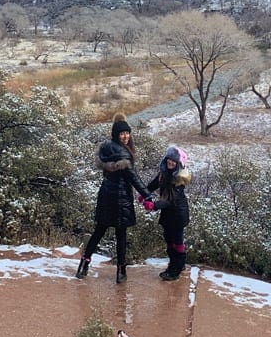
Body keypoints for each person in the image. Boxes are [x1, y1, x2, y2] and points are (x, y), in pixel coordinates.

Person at [75, 113, 153, 283]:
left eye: (127, 133)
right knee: (121, 235)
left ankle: (83, 265)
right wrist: (148, 195)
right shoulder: (123, 155)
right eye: (122, 134)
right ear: (116, 134)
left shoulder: (106, 148)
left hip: (105, 195)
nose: (125, 136)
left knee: (98, 231)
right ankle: (121, 271)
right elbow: (134, 178)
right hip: (120, 198)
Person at [143, 144, 191, 281]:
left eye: (174, 161)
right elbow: (153, 184)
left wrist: (153, 205)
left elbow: (170, 200)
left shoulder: (179, 179)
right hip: (168, 213)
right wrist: (144, 193)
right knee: (169, 239)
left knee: (176, 240)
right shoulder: (164, 173)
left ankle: (175, 269)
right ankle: (177, 263)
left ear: (178, 163)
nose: (171, 162)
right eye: (169, 159)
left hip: (177, 214)